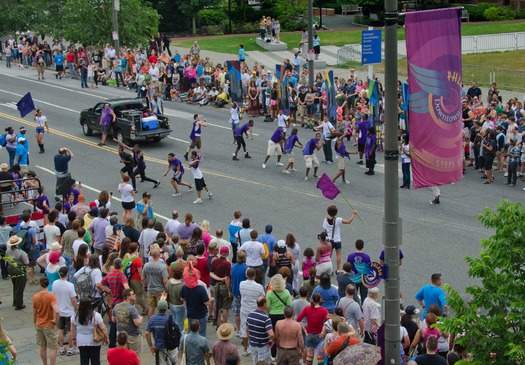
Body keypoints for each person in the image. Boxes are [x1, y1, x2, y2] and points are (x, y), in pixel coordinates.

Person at [97, 258, 130, 347]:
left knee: (113, 323)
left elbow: (99, 284)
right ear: (121, 266)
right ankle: (123, 341)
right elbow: (126, 287)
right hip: (121, 302)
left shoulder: (109, 275)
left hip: (114, 302)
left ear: (114, 265)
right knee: (123, 323)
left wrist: (108, 291)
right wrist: (128, 296)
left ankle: (112, 344)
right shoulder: (122, 276)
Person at [33, 277, 60, 365]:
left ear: (40, 284)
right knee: (53, 347)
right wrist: (56, 320)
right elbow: (56, 310)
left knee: (42, 346)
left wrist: (35, 323)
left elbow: (34, 312)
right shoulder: (51, 296)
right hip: (49, 324)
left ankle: (45, 364)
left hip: (39, 323)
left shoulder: (35, 296)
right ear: (48, 284)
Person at [323, 205, 358, 272]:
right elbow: (348, 221)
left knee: (328, 256)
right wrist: (353, 214)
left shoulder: (325, 220)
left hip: (329, 241)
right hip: (337, 240)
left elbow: (325, 230)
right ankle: (338, 269)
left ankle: (328, 269)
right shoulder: (338, 220)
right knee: (338, 255)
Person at [52, 266, 79, 356]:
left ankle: (61, 348)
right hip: (69, 311)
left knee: (60, 329)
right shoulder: (70, 285)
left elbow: (54, 296)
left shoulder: (55, 283)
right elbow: (74, 300)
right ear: (67, 274)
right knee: (70, 330)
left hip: (59, 311)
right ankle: (71, 348)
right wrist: (76, 309)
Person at [296, 292, 329, 365]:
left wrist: (304, 330)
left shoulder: (307, 308)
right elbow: (328, 322)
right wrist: (323, 331)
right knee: (320, 356)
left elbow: (298, 319)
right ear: (320, 299)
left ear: (312, 300)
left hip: (309, 334)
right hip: (320, 335)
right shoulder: (324, 310)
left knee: (309, 355)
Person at [145, 300, 178, 365]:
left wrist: (151, 346)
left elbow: (147, 333)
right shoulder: (170, 318)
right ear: (166, 308)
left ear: (157, 308)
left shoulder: (152, 319)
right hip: (171, 346)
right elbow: (177, 330)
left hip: (159, 347)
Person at [113, 288, 144, 356]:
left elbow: (113, 320)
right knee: (135, 355)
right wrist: (141, 318)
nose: (135, 295)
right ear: (128, 297)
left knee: (123, 355)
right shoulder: (132, 309)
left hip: (120, 335)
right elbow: (137, 323)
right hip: (132, 335)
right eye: (132, 294)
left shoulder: (116, 306)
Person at [246, 296, 275, 365]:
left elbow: (247, 329)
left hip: (253, 344)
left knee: (255, 362)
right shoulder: (266, 318)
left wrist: (250, 340)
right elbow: (271, 334)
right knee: (263, 363)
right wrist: (272, 340)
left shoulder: (250, 315)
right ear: (264, 304)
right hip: (263, 345)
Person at [180, 273, 210, 337]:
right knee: (202, 333)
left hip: (190, 313)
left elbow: (182, 299)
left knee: (190, 330)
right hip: (201, 314)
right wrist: (209, 297)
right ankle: (200, 345)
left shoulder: (184, 287)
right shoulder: (201, 289)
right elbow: (207, 302)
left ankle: (188, 344)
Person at [142, 247, 169, 317]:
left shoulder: (146, 265)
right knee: (161, 308)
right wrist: (167, 290)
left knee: (151, 308)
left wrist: (145, 285)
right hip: (160, 290)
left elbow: (143, 278)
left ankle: (150, 323)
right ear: (159, 255)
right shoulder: (162, 266)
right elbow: (165, 281)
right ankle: (160, 323)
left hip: (150, 290)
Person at [6, 235, 29, 310]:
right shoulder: (21, 253)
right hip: (19, 269)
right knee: (20, 287)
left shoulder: (8, 251)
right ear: (17, 244)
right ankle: (19, 304)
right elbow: (26, 262)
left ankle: (15, 301)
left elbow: (6, 260)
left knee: (15, 285)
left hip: (10, 268)